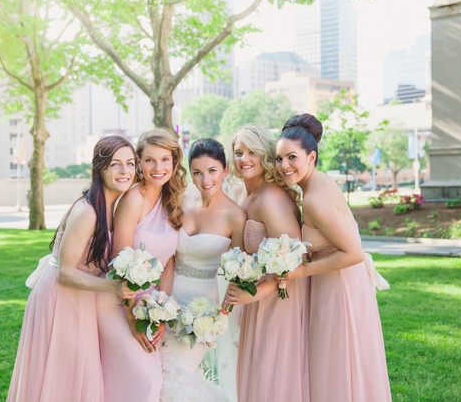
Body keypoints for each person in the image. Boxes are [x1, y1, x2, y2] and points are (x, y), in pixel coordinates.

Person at [6, 136, 137, 402]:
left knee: (75, 374)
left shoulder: (113, 206)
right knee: (59, 374)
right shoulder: (87, 211)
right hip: (59, 297)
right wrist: (113, 286)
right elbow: (66, 273)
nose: (125, 171)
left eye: (130, 163)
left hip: (81, 296)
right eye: (115, 164)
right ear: (100, 168)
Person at [275, 113, 392, 402]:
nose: (284, 166)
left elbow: (352, 252)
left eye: (292, 158)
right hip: (338, 282)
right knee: (339, 364)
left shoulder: (315, 198)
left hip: (340, 288)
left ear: (311, 157)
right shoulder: (316, 183)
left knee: (339, 364)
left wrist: (300, 272)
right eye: (278, 159)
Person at [97, 128, 186, 402]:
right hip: (118, 301)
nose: (158, 168)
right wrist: (133, 318)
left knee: (152, 382)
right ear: (139, 163)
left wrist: (162, 310)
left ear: (174, 162)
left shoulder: (172, 200)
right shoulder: (133, 199)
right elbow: (118, 264)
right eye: (149, 160)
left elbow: (169, 259)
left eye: (165, 160)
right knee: (145, 381)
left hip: (149, 305)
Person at [223, 124, 310, 402]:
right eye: (238, 152)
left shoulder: (272, 199)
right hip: (253, 297)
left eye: (253, 152)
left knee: (270, 377)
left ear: (266, 157)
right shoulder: (240, 193)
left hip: (279, 298)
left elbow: (295, 259)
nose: (244, 159)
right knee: (253, 374)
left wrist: (258, 292)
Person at [159, 138, 246, 402]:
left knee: (180, 374)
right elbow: (169, 257)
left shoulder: (235, 216)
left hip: (202, 307)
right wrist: (161, 303)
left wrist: (219, 318)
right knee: (159, 371)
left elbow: (238, 274)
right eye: (197, 172)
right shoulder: (181, 203)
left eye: (212, 171)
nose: (205, 179)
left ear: (225, 170)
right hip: (168, 296)